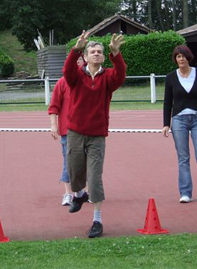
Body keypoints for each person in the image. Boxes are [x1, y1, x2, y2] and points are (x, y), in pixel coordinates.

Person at [63, 31, 126, 238]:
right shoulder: (77, 76)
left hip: (97, 136)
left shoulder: (108, 77)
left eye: (100, 51)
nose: (97, 54)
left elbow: (121, 75)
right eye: (93, 51)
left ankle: (97, 221)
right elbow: (67, 71)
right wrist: (76, 49)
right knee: (74, 171)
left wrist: (115, 54)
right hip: (75, 133)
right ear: (86, 56)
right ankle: (79, 195)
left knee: (95, 177)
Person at [162, 45, 197, 204]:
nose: (181, 59)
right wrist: (166, 123)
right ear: (175, 59)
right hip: (179, 121)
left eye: (184, 56)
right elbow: (167, 102)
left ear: (189, 57)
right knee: (183, 158)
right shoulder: (171, 77)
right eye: (178, 56)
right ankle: (185, 192)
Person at [48, 55, 85, 206]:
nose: (77, 62)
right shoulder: (62, 83)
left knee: (86, 162)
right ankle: (67, 193)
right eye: (74, 59)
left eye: (80, 59)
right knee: (68, 162)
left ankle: (83, 192)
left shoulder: (88, 82)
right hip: (67, 130)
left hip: (86, 130)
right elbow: (54, 106)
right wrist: (54, 125)